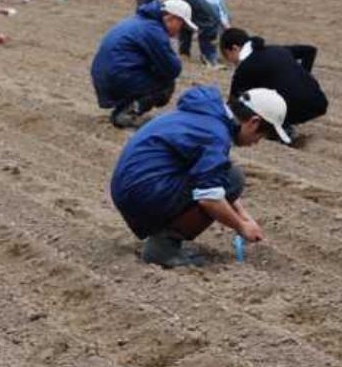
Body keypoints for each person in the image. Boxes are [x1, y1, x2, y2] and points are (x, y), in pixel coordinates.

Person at [109, 85, 288, 268]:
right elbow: (209, 198)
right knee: (232, 180)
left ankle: (163, 241)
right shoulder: (215, 135)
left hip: (133, 185)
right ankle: (163, 249)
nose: (257, 142)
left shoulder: (209, 116)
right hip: (142, 191)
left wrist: (243, 216)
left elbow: (215, 176)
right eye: (262, 136)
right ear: (254, 122)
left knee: (229, 176)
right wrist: (241, 227)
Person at [91, 0, 198, 128]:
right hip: (117, 77)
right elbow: (173, 69)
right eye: (182, 25)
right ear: (172, 18)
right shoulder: (154, 31)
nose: (180, 31)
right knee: (165, 85)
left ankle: (124, 107)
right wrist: (172, 47)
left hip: (106, 75)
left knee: (151, 73)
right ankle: (127, 113)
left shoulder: (138, 21)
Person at [219, 28, 328, 141]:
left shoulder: (244, 69)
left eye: (227, 56)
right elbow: (310, 51)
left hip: (296, 109)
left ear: (234, 49)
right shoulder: (276, 49)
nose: (231, 62)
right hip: (319, 102)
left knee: (250, 101)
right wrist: (303, 77)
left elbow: (232, 104)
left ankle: (284, 128)